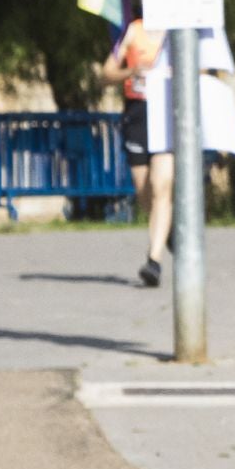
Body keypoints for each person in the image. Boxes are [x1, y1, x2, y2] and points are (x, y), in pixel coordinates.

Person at [98, 18, 172, 286]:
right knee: (143, 189)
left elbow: (202, 71)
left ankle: (154, 261)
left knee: (160, 184)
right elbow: (105, 74)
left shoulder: (177, 31)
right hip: (138, 114)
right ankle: (168, 232)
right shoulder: (133, 31)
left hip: (166, 112)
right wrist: (130, 72)